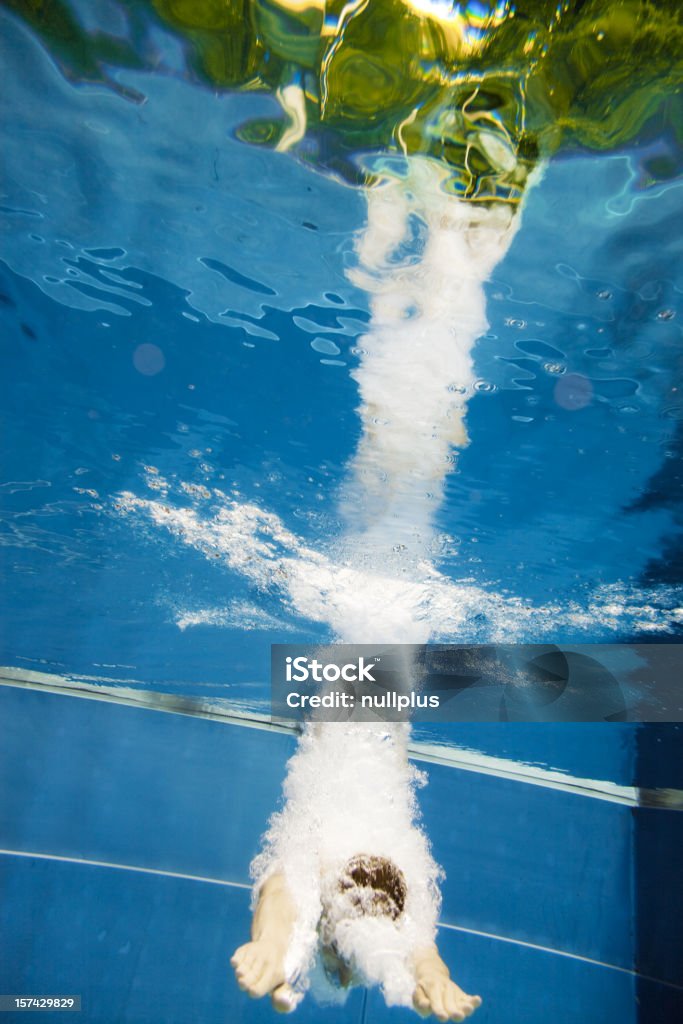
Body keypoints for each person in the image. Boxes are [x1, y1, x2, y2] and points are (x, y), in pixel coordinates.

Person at [231, 723, 482, 1021]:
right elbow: (279, 896)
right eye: (345, 958)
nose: (349, 977)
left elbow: (425, 957)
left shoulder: (396, 902)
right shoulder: (309, 855)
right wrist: (271, 943)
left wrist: (435, 978)